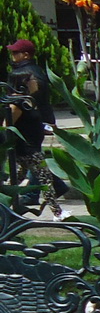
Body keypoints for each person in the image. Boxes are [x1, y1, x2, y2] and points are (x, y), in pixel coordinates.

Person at [5, 39, 64, 219]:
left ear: (25, 55)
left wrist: (5, 128)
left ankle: (57, 212)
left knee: (38, 173)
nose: (12, 56)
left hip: (24, 133)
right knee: (27, 171)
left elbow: (15, 109)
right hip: (32, 130)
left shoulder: (22, 74)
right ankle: (12, 203)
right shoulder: (37, 72)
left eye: (15, 52)